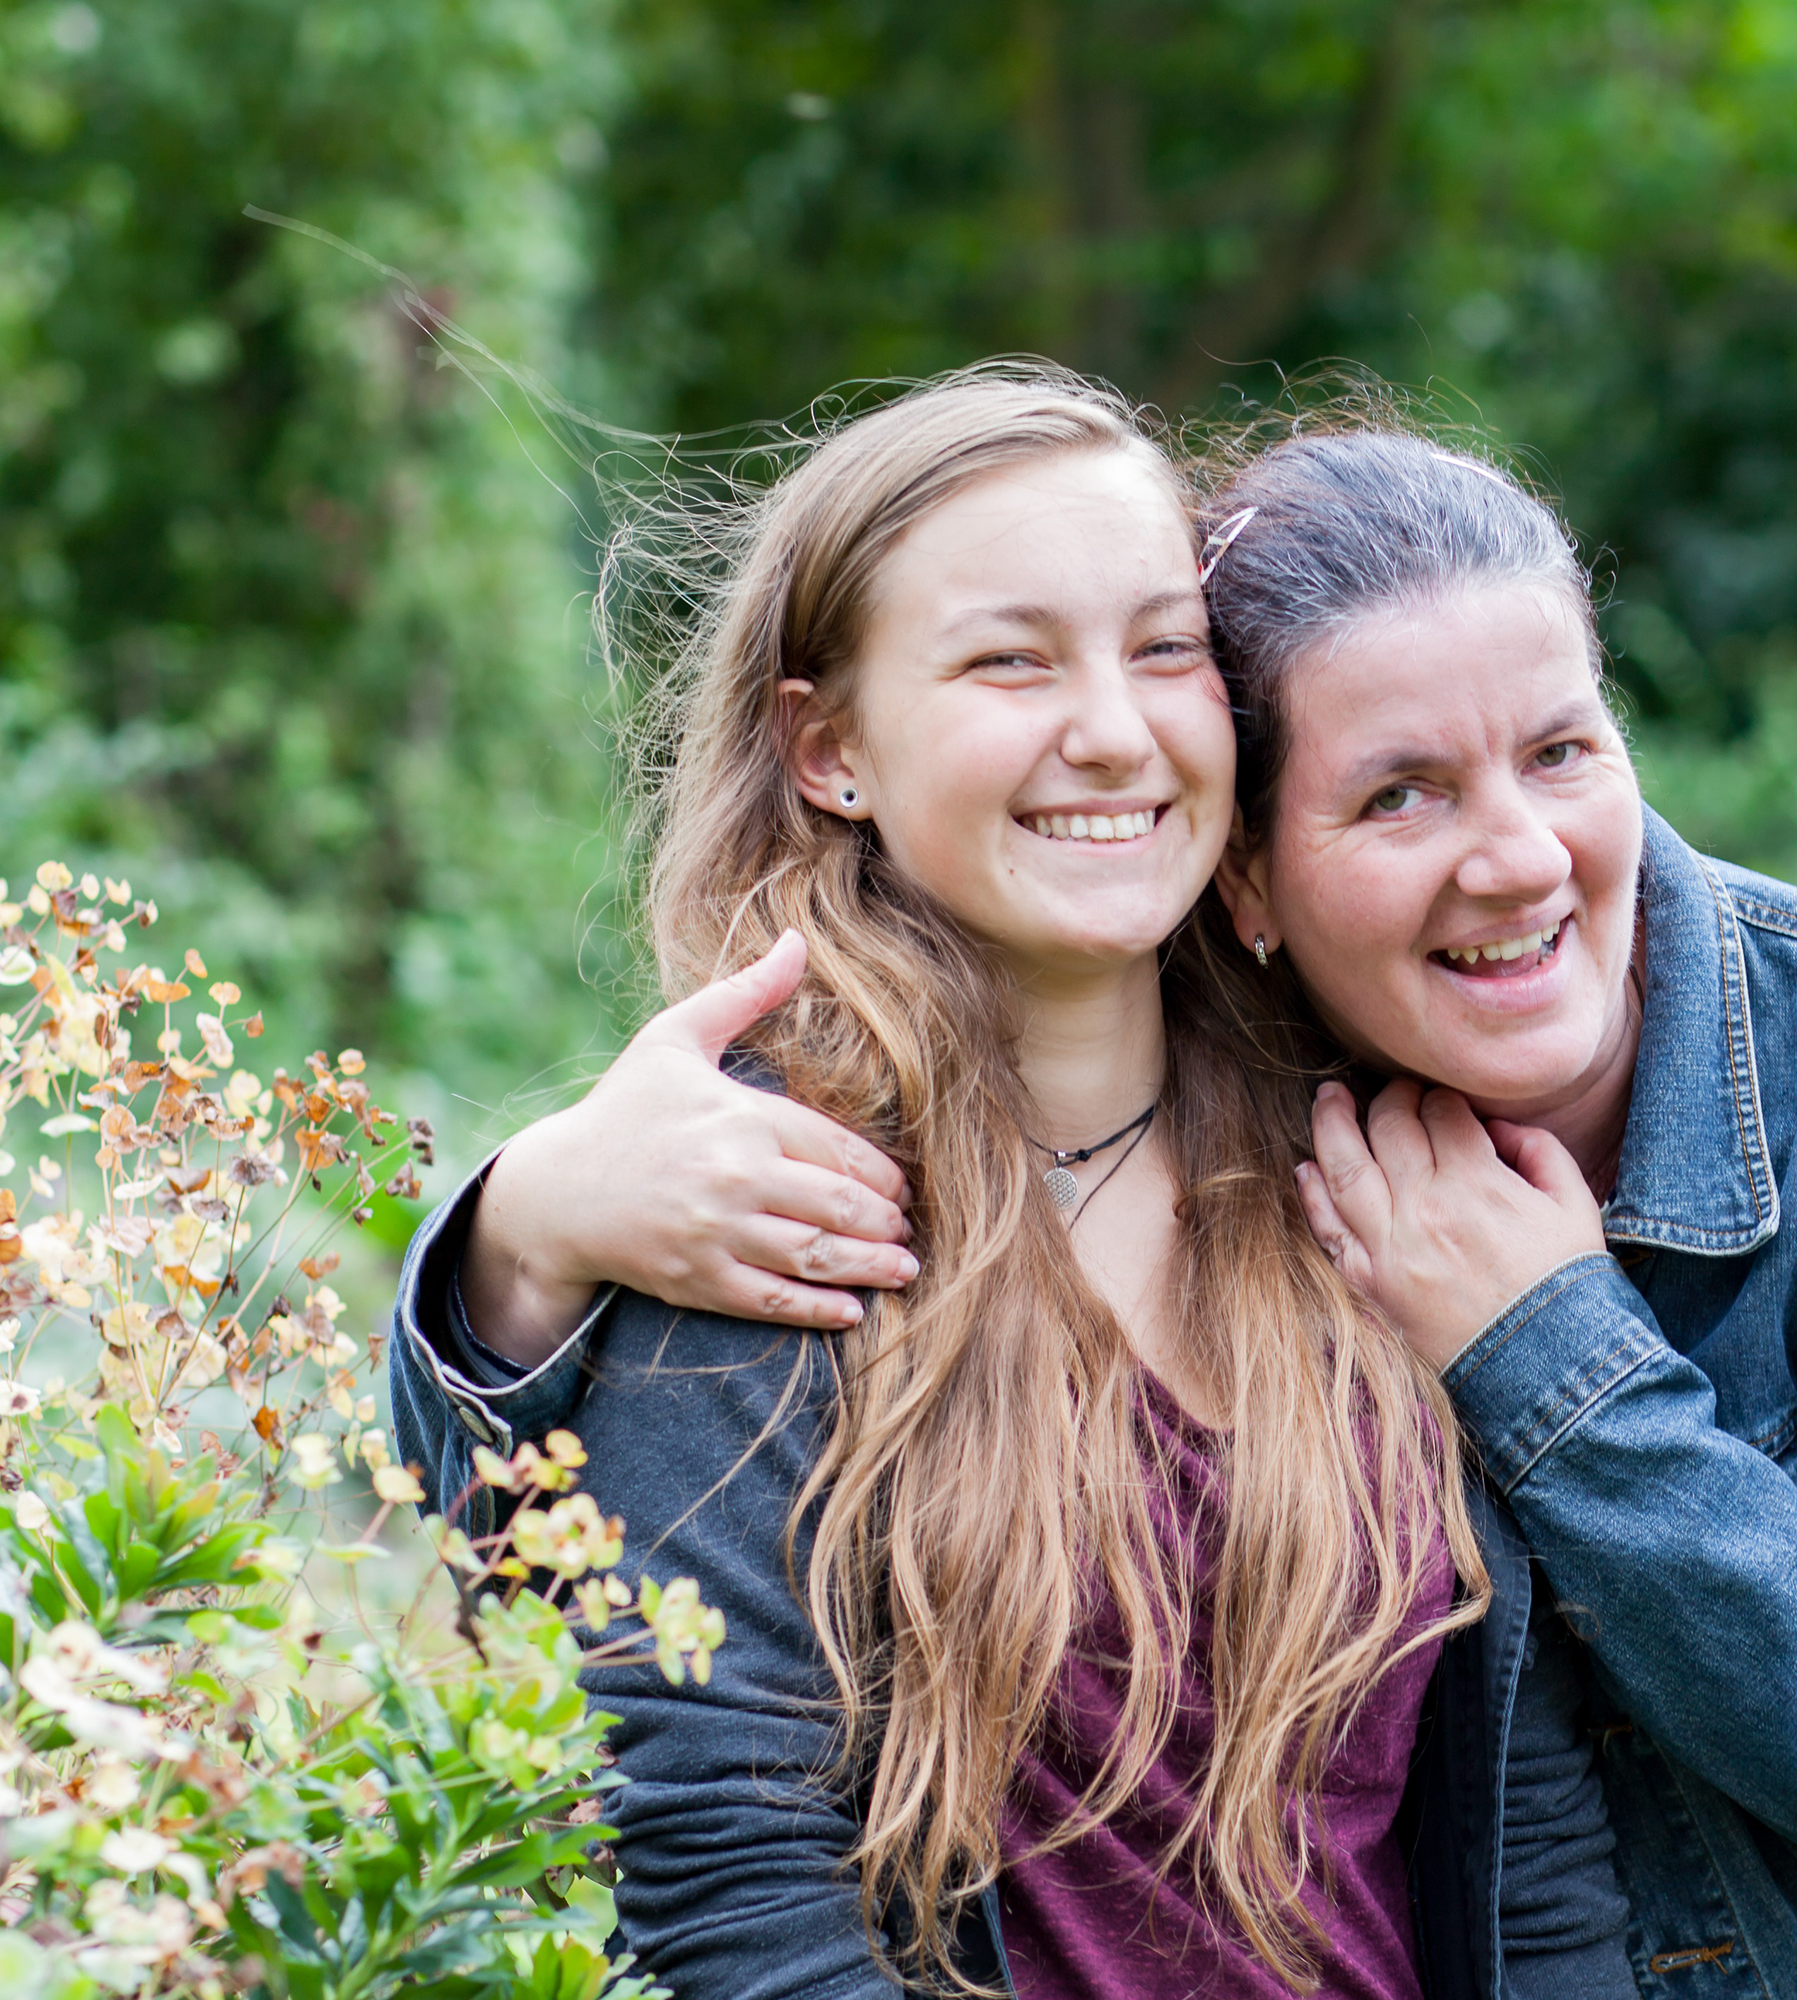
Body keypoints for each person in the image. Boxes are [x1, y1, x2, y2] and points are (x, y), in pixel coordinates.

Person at [399, 413, 1797, 1998]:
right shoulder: (795, 1189)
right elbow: (677, 1783)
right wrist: (525, 1232)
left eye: (1563, 750)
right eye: (1398, 792)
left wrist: (1551, 1359)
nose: (1510, 855)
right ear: (1263, 886)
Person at [390, 371, 1637, 2000]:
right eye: (1009, 660)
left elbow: (1522, 1839)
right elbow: (722, 1882)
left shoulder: (1361, 1172)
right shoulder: (760, 1205)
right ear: (829, 747)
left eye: (1163, 648)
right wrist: (516, 1221)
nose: (1113, 730)